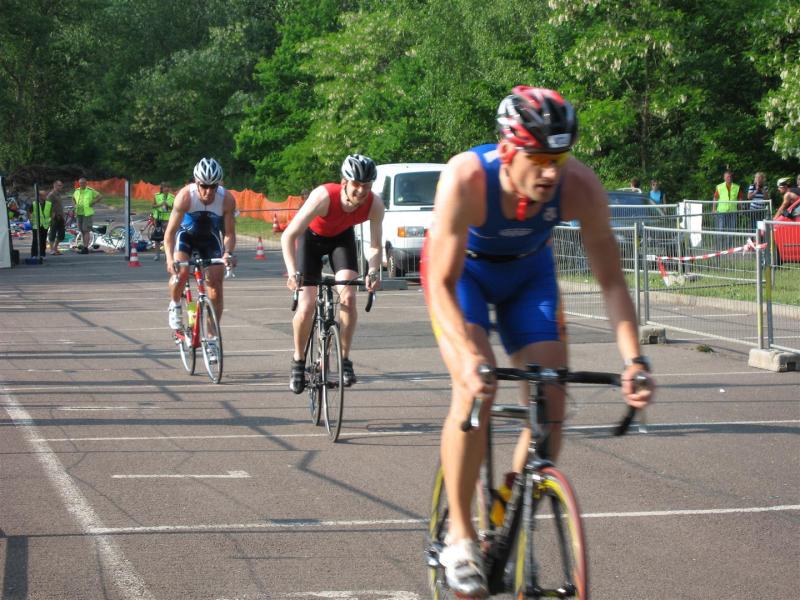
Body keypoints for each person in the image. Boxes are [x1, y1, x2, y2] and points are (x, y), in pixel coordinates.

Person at [422, 86, 655, 597]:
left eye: (559, 159)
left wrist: (634, 360)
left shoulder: (581, 186)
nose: (551, 173)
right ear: (508, 150)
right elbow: (441, 283)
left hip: (529, 276)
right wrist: (467, 358)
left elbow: (612, 281)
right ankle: (461, 534)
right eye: (540, 159)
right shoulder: (466, 177)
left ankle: (509, 502)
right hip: (462, 277)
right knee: (476, 388)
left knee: (551, 400)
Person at [281, 154, 384, 393]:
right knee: (306, 305)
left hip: (341, 240)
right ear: (344, 182)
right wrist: (292, 273)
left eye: (366, 186)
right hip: (310, 239)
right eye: (356, 184)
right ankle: (298, 360)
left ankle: (344, 359)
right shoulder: (323, 196)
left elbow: (375, 246)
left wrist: (373, 270)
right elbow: (288, 235)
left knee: (348, 296)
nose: (361, 191)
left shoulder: (375, 205)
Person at [164, 158, 237, 353]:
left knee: (216, 285)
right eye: (204, 186)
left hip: (209, 239)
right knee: (181, 273)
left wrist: (228, 253)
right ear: (196, 183)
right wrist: (170, 259)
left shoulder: (227, 199)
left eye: (213, 186)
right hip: (185, 237)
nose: (208, 191)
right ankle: (175, 304)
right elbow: (170, 233)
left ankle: (212, 338)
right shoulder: (185, 197)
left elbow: (229, 234)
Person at [73, 177, 103, 254]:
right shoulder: (77, 191)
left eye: (83, 183)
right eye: (80, 183)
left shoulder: (90, 190)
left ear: (86, 183)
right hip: (79, 213)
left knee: (86, 230)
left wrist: (94, 202)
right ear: (79, 184)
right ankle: (84, 246)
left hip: (87, 213)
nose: (82, 184)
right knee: (81, 230)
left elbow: (100, 196)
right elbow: (73, 198)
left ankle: (85, 248)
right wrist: (75, 205)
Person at [151, 182, 174, 260]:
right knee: (157, 237)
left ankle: (168, 255)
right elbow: (153, 205)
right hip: (158, 218)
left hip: (167, 219)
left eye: (168, 187)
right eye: (165, 187)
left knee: (168, 237)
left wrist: (168, 205)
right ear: (162, 188)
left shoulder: (172, 197)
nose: (166, 189)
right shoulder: (157, 195)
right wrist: (161, 204)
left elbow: (174, 208)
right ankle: (157, 255)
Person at [30, 190, 50, 259]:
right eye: (44, 195)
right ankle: (34, 255)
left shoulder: (48, 204)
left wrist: (50, 220)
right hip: (36, 225)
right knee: (35, 240)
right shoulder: (34, 204)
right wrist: (31, 220)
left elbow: (51, 213)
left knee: (43, 240)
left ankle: (42, 254)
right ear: (40, 196)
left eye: (45, 195)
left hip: (45, 225)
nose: (46, 196)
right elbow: (29, 212)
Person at [47, 180, 66, 255]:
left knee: (62, 235)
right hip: (54, 217)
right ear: (55, 186)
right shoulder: (51, 195)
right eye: (59, 185)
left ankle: (55, 247)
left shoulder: (58, 194)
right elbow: (48, 206)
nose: (61, 187)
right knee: (52, 233)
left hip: (61, 217)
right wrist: (51, 215)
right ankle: (52, 249)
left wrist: (63, 215)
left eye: (61, 185)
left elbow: (59, 206)